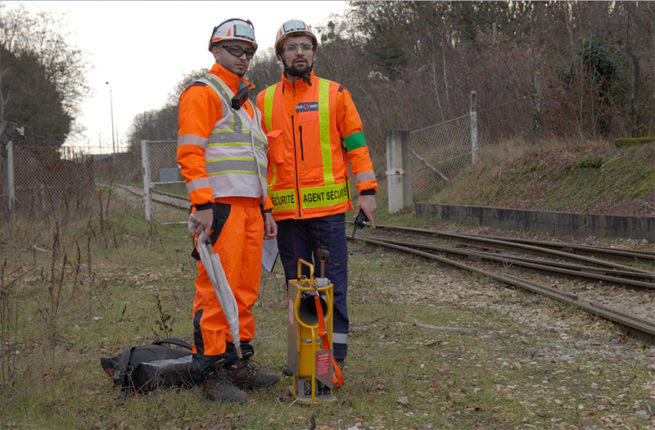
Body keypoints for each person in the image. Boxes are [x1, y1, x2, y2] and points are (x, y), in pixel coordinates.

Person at [256, 19, 378, 372]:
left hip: (327, 214)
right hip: (286, 218)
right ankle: (301, 360)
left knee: (332, 287)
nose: (299, 52)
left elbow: (356, 144)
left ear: (314, 52)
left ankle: (333, 362)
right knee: (297, 289)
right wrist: (264, 210)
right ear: (280, 54)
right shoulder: (263, 101)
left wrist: (367, 192)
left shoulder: (335, 94)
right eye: (292, 47)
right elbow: (258, 161)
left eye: (305, 46)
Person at [177, 18, 280, 403]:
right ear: (215, 50)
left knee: (243, 290)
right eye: (236, 50)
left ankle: (239, 362)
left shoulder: (247, 105)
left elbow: (257, 162)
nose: (244, 57)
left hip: (251, 212)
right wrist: (202, 204)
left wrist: (266, 209)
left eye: (250, 51)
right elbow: (190, 152)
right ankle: (211, 372)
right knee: (216, 290)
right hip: (219, 210)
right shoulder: (203, 93)